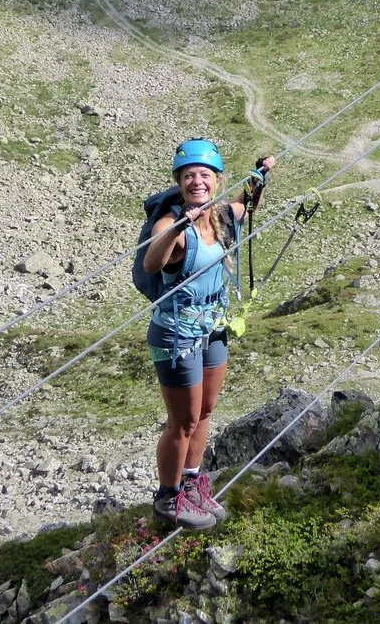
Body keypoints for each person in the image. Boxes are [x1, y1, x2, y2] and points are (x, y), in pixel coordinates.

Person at [141, 138, 274, 529]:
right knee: (181, 422)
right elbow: (153, 262)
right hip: (176, 336)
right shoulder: (172, 224)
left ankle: (193, 483)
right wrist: (176, 226)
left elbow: (246, 208)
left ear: (216, 181)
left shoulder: (219, 215)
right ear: (179, 183)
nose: (196, 181)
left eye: (204, 175)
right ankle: (168, 499)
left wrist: (260, 178)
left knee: (204, 413)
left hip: (212, 327)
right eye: (188, 176)